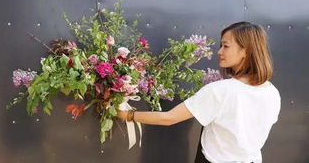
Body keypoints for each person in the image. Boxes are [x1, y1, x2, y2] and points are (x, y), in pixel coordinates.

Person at [117, 21, 281, 163]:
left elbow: (168, 118)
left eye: (226, 46)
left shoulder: (221, 91)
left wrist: (128, 115)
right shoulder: (272, 92)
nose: (219, 51)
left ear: (245, 51)